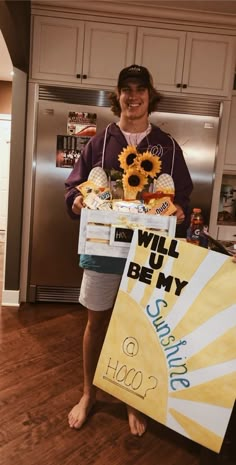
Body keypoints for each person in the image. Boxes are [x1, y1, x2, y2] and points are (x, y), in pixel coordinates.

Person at [64, 64, 193, 436]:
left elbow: (181, 197)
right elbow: (75, 188)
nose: (132, 96)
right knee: (96, 323)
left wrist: (180, 209)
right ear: (117, 95)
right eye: (126, 89)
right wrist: (76, 201)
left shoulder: (167, 147)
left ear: (150, 96)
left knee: (140, 325)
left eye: (140, 89)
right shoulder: (99, 142)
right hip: (103, 252)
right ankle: (89, 392)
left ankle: (132, 398)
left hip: (148, 255)